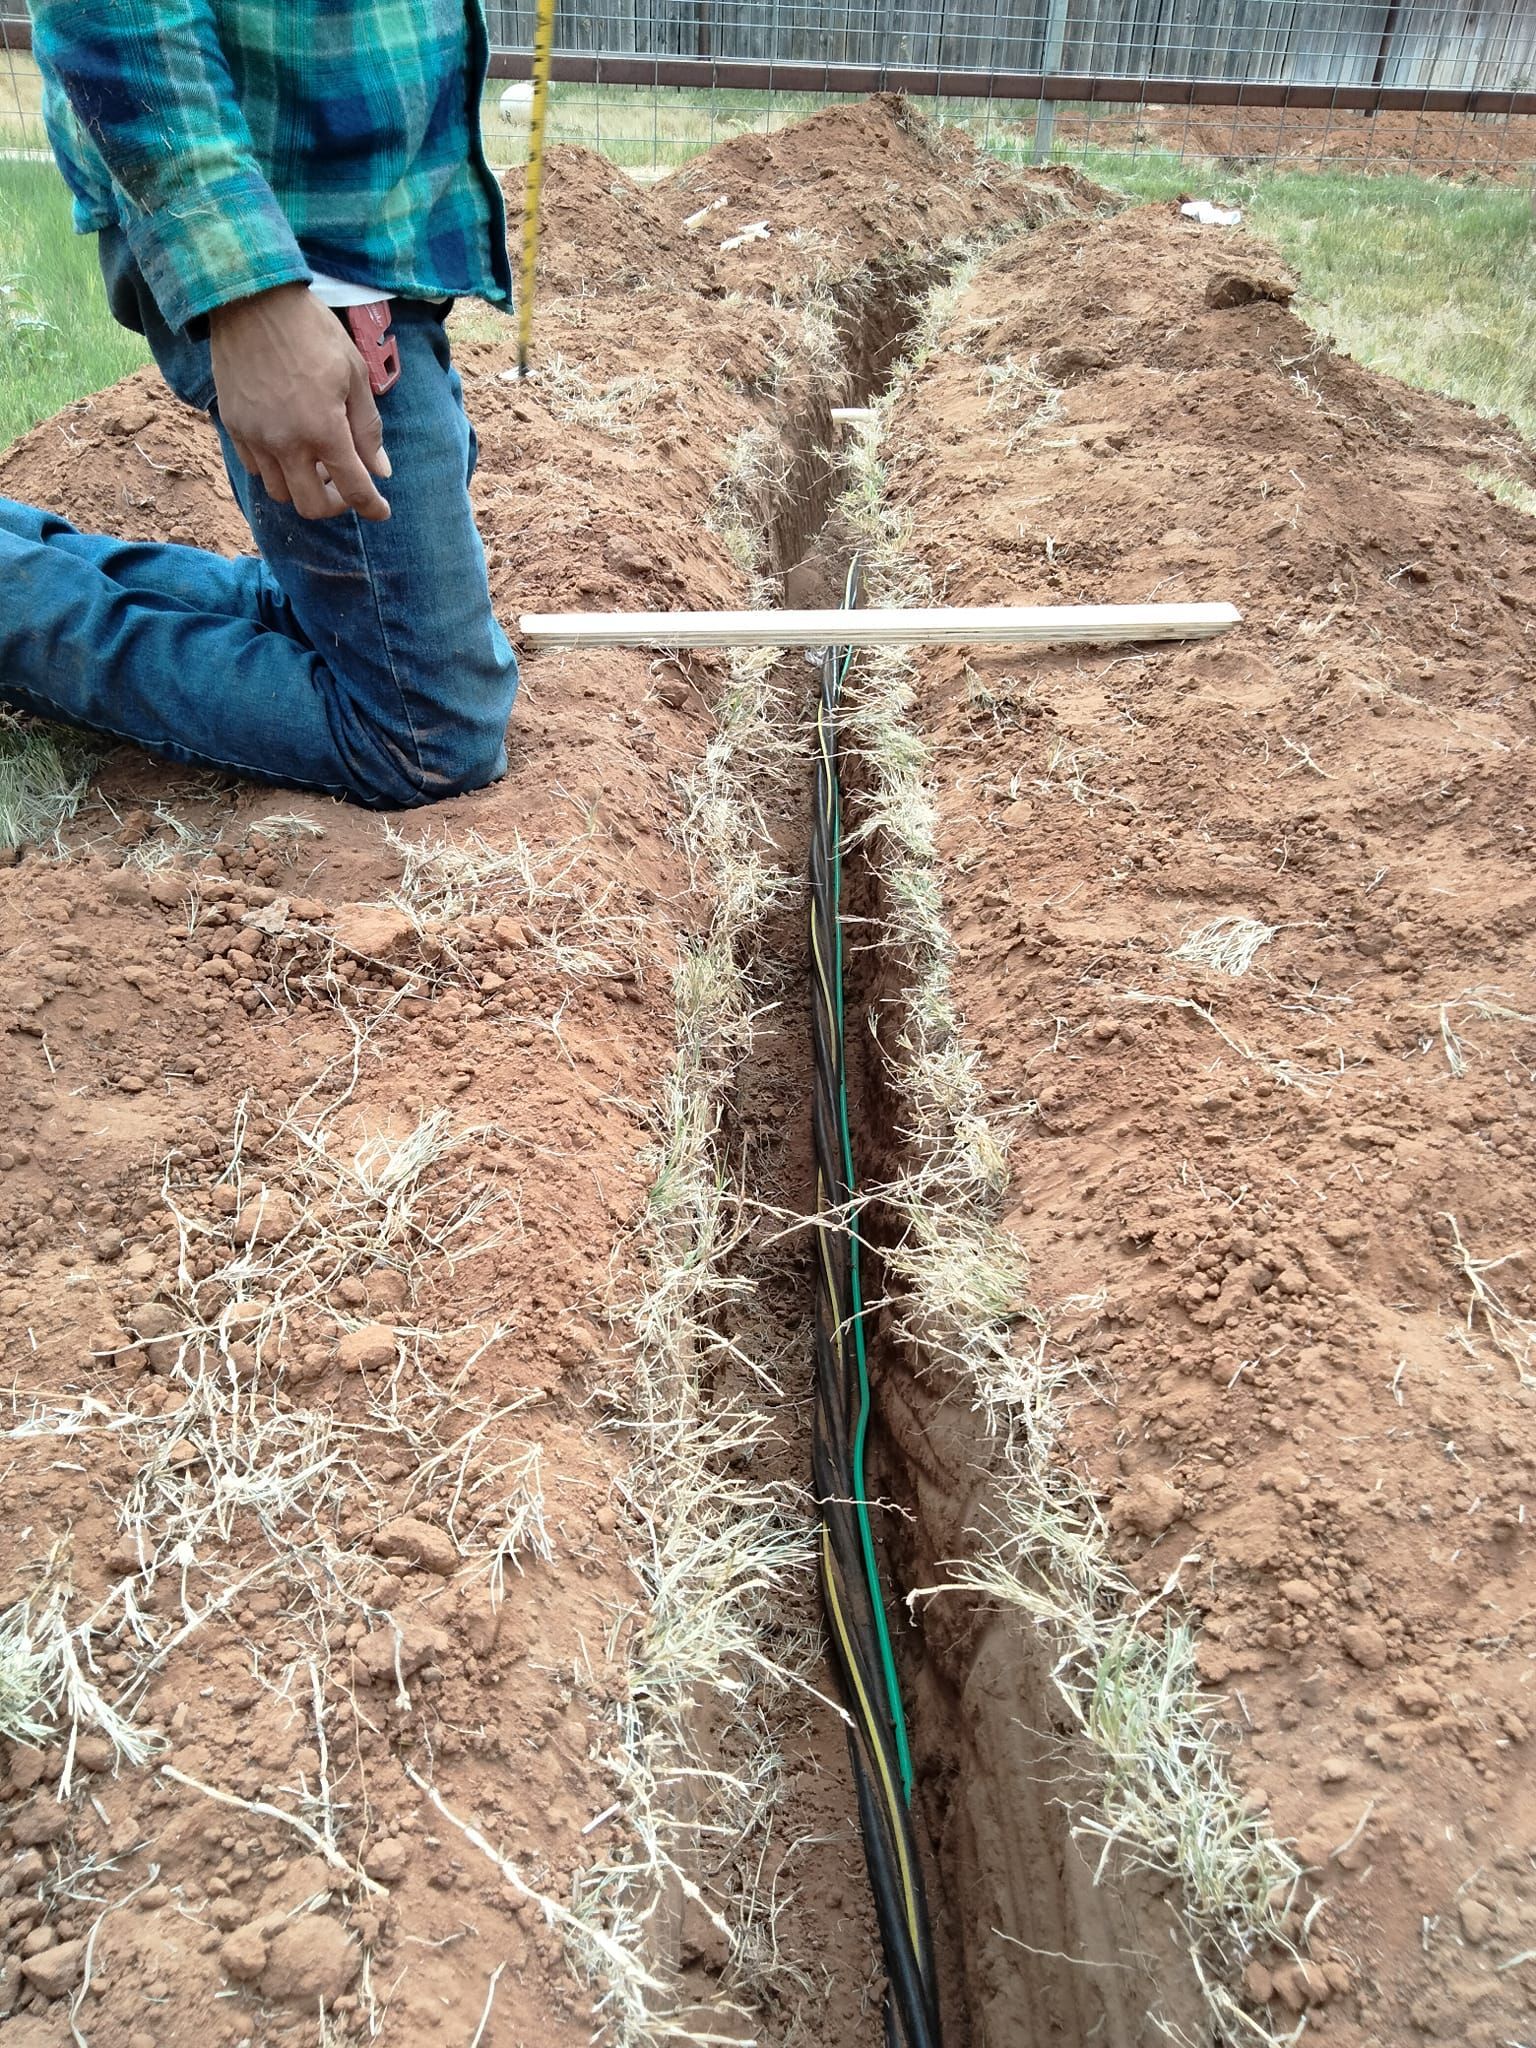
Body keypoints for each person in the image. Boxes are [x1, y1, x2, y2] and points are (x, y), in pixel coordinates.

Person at [0, 2, 520, 810]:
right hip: (292, 262)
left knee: (353, 627)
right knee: (428, 731)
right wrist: (249, 288)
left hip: (357, 232)